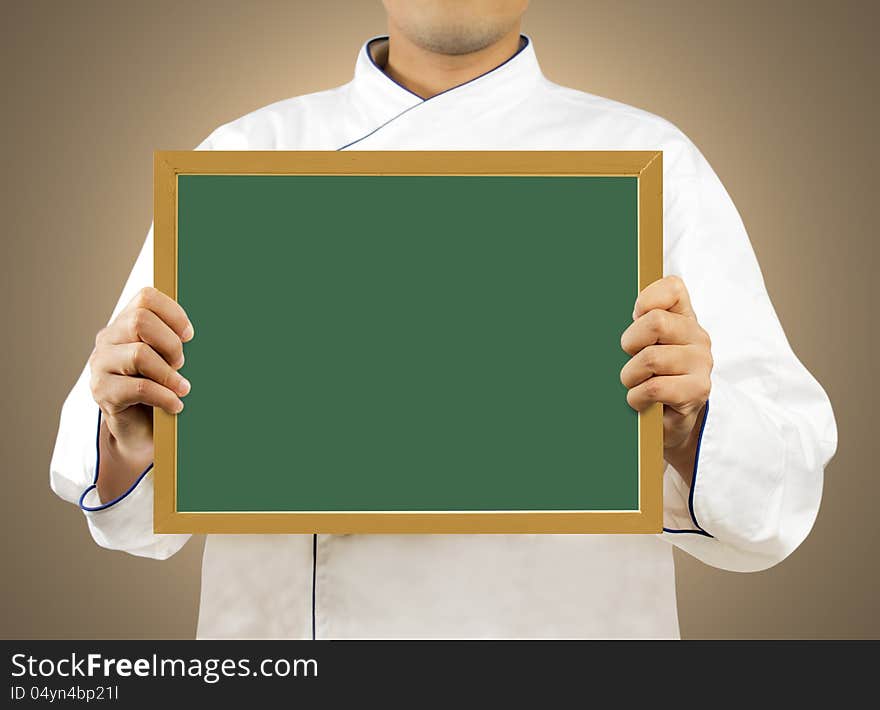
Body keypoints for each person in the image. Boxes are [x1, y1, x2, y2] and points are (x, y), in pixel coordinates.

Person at [49, 0, 837, 639]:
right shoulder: (240, 156)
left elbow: (784, 491)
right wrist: (133, 435)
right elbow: (120, 500)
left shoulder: (650, 162)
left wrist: (693, 422)